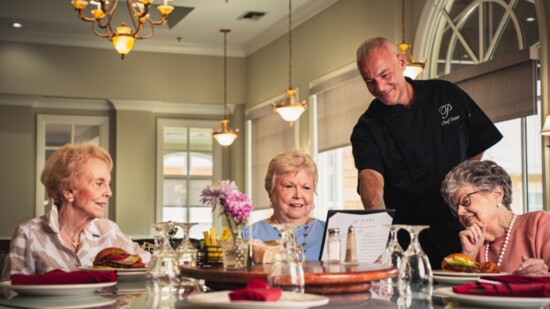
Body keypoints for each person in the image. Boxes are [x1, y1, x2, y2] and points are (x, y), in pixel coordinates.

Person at [350, 37, 503, 268]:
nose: (379, 87)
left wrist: (462, 189)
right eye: (369, 81)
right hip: (411, 235)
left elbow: (477, 143)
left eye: (384, 75)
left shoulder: (446, 95)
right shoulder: (367, 127)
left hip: (461, 225)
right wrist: (376, 226)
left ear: (401, 62)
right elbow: (370, 178)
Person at [2, 143, 150, 279]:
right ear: (68, 191)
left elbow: (154, 265)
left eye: (108, 184)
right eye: (99, 183)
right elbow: (12, 294)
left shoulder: (109, 231)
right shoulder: (29, 234)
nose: (109, 192)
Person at [441, 160, 550, 276]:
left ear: (497, 194)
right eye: (456, 207)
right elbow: (456, 291)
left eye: (465, 201)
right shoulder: (470, 242)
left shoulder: (540, 224)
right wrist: (468, 255)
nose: (460, 212)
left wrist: (545, 277)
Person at [242, 149, 325, 261]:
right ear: (270, 192)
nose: (298, 195)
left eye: (306, 188)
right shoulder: (248, 235)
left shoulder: (331, 232)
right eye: (289, 186)